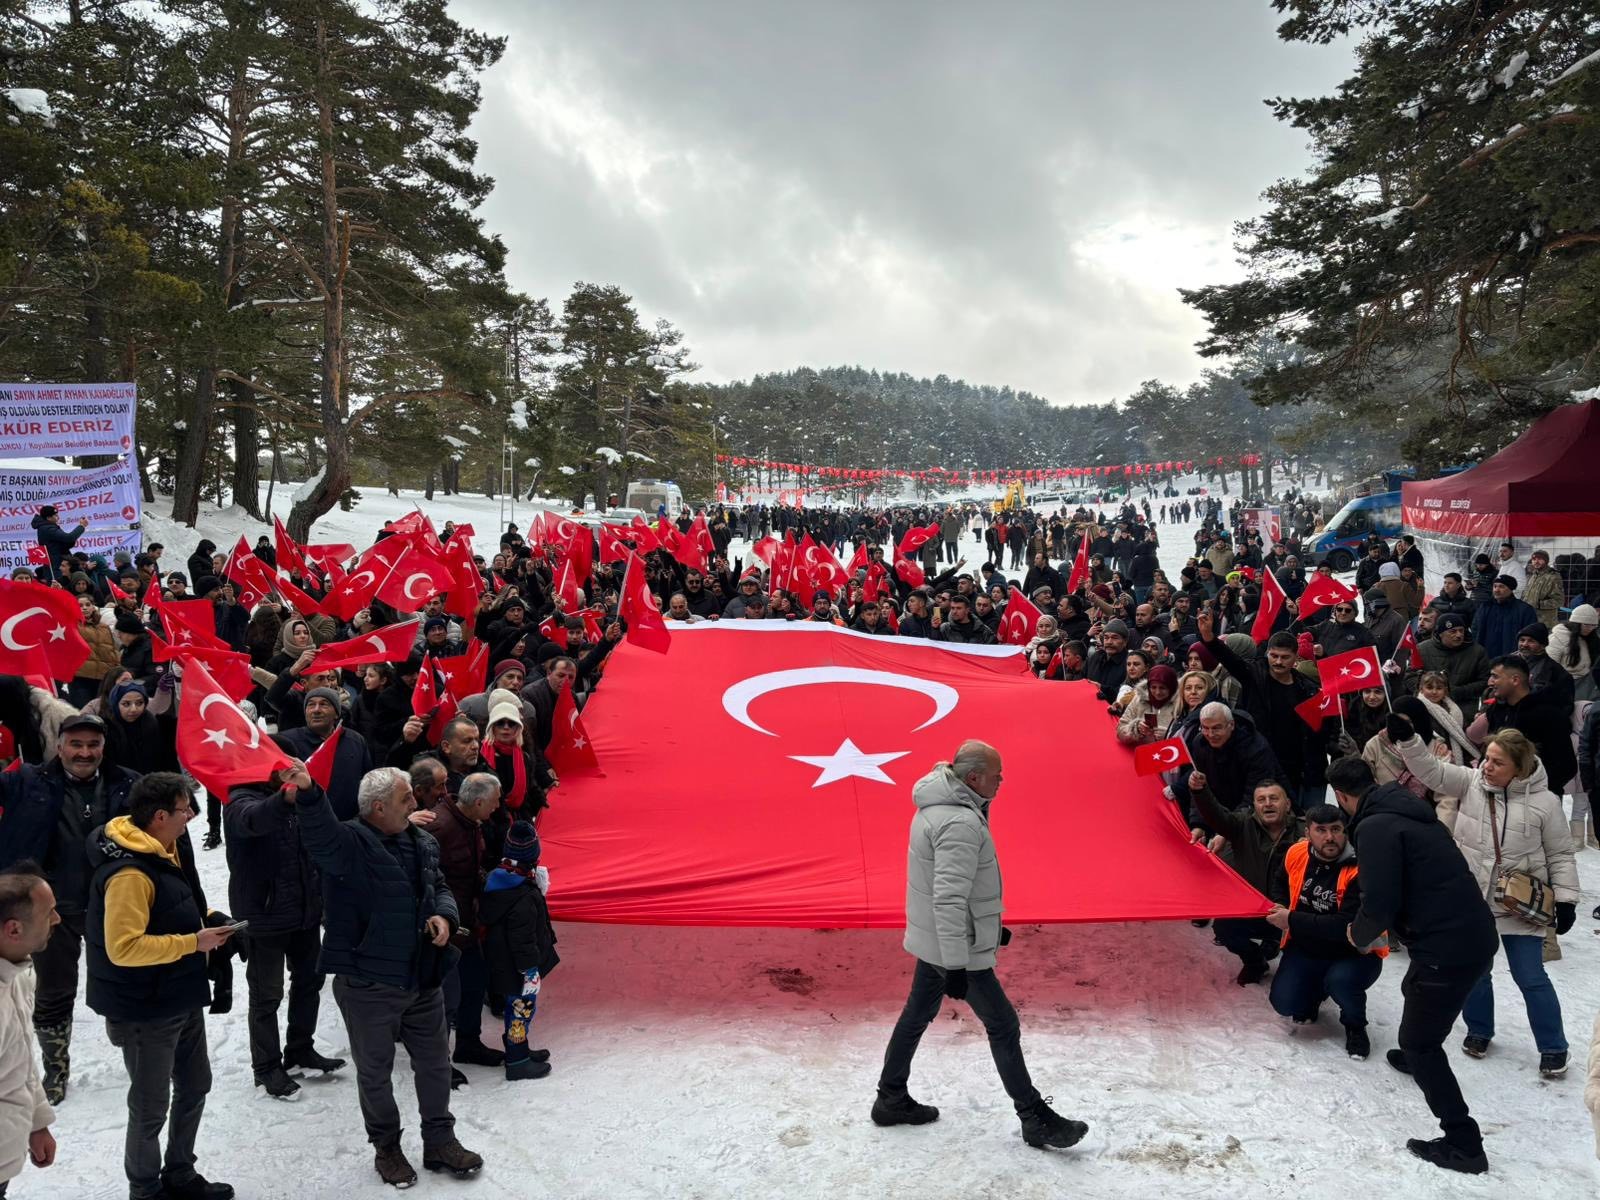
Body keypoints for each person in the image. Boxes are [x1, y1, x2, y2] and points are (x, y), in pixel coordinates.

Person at [873, 742, 1087, 1150]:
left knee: (916, 1014)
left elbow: (957, 891)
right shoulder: (960, 824)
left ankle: (890, 1098)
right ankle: (1034, 1117)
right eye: (996, 775)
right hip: (954, 948)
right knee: (1003, 1024)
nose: (1001, 780)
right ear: (973, 778)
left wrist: (988, 930)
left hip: (936, 938)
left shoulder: (938, 804)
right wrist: (956, 963)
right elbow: (949, 898)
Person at [291, 764, 482, 1187]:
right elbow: (319, 832)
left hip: (422, 978)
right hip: (368, 984)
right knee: (375, 1073)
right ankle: (387, 1149)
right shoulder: (347, 845)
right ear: (378, 808)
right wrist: (308, 791)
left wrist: (445, 916)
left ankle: (440, 1140)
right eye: (406, 800)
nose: (416, 804)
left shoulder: (424, 842)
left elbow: (440, 886)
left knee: (435, 1064)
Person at [1325, 755, 1499, 1174]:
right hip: (1468, 935)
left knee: (1422, 1042)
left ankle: (1464, 1143)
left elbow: (1379, 901)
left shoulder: (1374, 827)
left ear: (1344, 796)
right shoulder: (1405, 809)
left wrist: (1358, 935)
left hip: (1447, 949)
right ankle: (1414, 1054)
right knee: (1413, 990)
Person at [1387, 722, 1576, 1079]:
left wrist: (1566, 900)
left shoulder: (1545, 803)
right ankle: (1479, 1030)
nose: (1487, 766)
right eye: (1487, 758)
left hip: (1518, 903)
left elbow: (1562, 855)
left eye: (1497, 762)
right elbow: (1432, 771)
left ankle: (1553, 1047)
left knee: (1531, 976)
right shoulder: (1472, 783)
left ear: (1519, 768)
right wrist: (1409, 740)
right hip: (1472, 900)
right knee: (1476, 973)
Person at [84, 772, 235, 1200]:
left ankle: (180, 1173)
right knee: (150, 1107)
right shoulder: (130, 873)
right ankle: (145, 1189)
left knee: (195, 1084)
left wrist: (208, 920)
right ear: (159, 816)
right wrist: (193, 942)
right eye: (186, 808)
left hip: (179, 993)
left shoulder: (163, 850)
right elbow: (124, 948)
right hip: (144, 1008)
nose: (192, 815)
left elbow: (173, 906)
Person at [0, 711, 139, 1104]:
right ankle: (56, 1069)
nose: (84, 752)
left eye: (93, 744)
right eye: (75, 744)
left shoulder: (128, 783)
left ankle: (127, 1039)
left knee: (121, 978)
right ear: (59, 746)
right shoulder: (26, 781)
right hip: (49, 909)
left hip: (113, 905)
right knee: (54, 990)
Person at [223, 767, 346, 1100]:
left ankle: (300, 1049)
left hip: (304, 910)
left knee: (310, 982)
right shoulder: (239, 797)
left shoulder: (300, 796)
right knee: (267, 995)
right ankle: (265, 1067)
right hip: (264, 916)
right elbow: (251, 820)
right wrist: (283, 799)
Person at [1264, 804, 1386, 1059]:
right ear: (1308, 832)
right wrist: (1281, 905)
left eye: (1336, 829)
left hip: (1356, 952)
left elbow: (1343, 925)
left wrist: (1291, 918)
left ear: (1346, 831)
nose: (1329, 837)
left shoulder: (1362, 868)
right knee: (1285, 1004)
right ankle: (1316, 991)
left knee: (1340, 982)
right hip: (1307, 947)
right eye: (1321, 830)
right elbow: (1279, 882)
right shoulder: (1296, 852)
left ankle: (1355, 1026)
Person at [1188, 777, 1305, 985]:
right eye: (1261, 800)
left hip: (1291, 915)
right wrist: (1200, 791)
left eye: (1273, 798)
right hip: (1252, 910)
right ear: (1255, 806)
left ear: (1287, 804)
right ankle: (1254, 961)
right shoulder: (1242, 825)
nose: (1267, 803)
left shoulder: (1305, 833)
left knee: (1293, 986)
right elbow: (1217, 815)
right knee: (1224, 929)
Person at [429, 772, 504, 1075]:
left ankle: (468, 1043)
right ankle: (437, 1062)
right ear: (478, 801)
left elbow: (471, 870)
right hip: (443, 927)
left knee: (475, 982)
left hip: (467, 921)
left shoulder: (471, 822)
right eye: (495, 802)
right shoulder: (438, 826)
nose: (498, 808)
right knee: (446, 997)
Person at [479, 820, 558, 1081]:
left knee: (517, 1009)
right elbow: (522, 939)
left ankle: (519, 1047)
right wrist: (530, 970)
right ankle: (517, 1060)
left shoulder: (501, 881)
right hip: (519, 969)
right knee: (521, 1009)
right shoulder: (522, 896)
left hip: (504, 963)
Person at [0, 865, 59, 1199]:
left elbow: (19, 1055)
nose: (57, 920)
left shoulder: (19, 971)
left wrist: (37, 1121)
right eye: (49, 913)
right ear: (14, 929)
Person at [1471, 575, 1536, 659]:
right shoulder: (1485, 607)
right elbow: (1475, 629)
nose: (1497, 590)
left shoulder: (1524, 610)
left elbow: (1531, 635)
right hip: (1486, 658)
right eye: (1495, 586)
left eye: (1501, 587)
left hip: (1512, 660)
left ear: (1510, 589)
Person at [29, 506, 84, 585]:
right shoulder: (47, 528)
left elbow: (62, 543)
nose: (58, 517)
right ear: (48, 517)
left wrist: (69, 543)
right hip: (56, 567)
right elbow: (69, 537)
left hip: (58, 564)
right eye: (55, 515)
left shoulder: (48, 526)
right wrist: (81, 527)